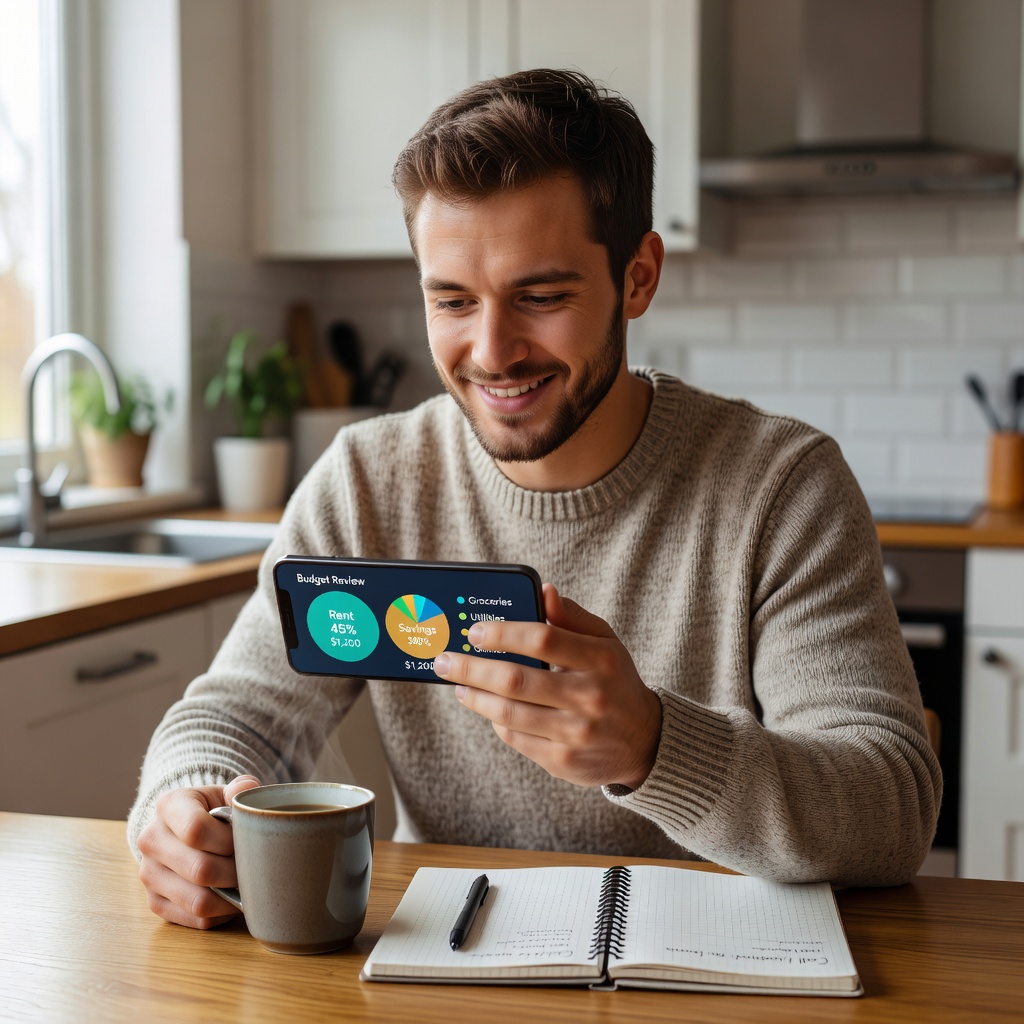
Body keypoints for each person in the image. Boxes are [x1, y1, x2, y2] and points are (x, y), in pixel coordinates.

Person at [131, 68, 941, 930]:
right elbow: (236, 714)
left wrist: (654, 746)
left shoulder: (782, 488)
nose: (492, 352)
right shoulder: (367, 480)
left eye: (541, 297)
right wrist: (188, 812)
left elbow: (891, 809)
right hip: (447, 954)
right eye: (452, 300)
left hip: (717, 963)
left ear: (638, 277)